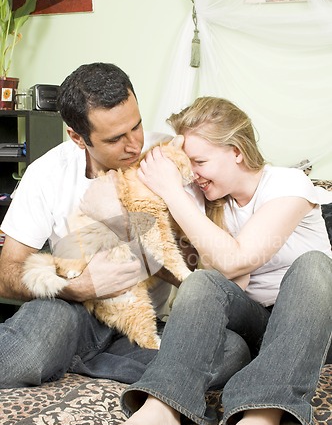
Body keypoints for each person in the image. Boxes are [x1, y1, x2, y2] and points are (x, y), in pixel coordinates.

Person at [95, 97, 332, 425]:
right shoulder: (209, 201)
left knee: (316, 268)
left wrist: (172, 191)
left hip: (307, 326)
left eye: (201, 163)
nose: (194, 175)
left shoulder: (289, 184)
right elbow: (225, 282)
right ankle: (163, 409)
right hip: (254, 324)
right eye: (190, 166)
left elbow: (237, 259)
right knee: (204, 282)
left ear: (237, 152)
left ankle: (261, 418)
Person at [0, 64, 246, 393]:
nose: (133, 145)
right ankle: (84, 355)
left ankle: (80, 361)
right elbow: (7, 273)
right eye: (115, 138)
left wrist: (123, 225)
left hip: (144, 319)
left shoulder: (169, 160)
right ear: (77, 137)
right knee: (19, 356)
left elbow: (193, 275)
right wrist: (78, 288)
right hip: (73, 311)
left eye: (137, 126)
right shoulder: (47, 173)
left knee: (232, 353)